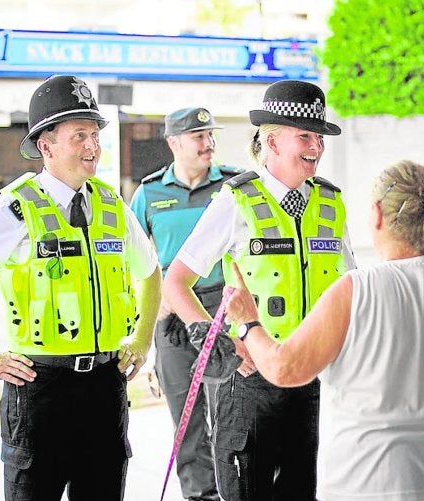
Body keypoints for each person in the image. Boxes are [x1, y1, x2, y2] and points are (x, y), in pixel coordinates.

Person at [224, 160, 424, 501]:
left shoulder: (357, 289)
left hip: (374, 480)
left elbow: (284, 368)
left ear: (377, 214)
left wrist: (248, 322)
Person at [163, 79, 356, 500]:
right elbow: (176, 281)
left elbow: (352, 286)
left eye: (319, 137)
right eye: (305, 136)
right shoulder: (236, 200)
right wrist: (221, 346)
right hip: (248, 383)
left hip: (310, 377)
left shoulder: (330, 203)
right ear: (271, 140)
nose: (317, 147)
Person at [0, 74, 161, 501]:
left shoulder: (111, 205)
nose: (92, 146)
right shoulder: (14, 210)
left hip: (105, 385)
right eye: (79, 135)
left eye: (95, 134)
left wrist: (142, 338)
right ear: (46, 146)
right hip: (40, 388)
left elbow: (151, 273)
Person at [130, 107, 242, 501]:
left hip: (224, 307)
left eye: (210, 135)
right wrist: (152, 304)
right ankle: (201, 496)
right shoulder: (149, 193)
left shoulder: (234, 186)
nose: (208, 143)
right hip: (171, 313)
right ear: (174, 143)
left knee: (232, 412)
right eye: (198, 136)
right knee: (187, 416)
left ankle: (237, 491)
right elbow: (131, 261)